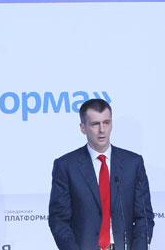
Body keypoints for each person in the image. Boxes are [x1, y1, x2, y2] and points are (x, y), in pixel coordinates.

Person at [48, 98, 154, 250]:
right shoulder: (66, 166)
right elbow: (58, 220)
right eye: (95, 124)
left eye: (106, 122)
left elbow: (144, 217)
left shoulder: (133, 163)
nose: (102, 130)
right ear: (83, 128)